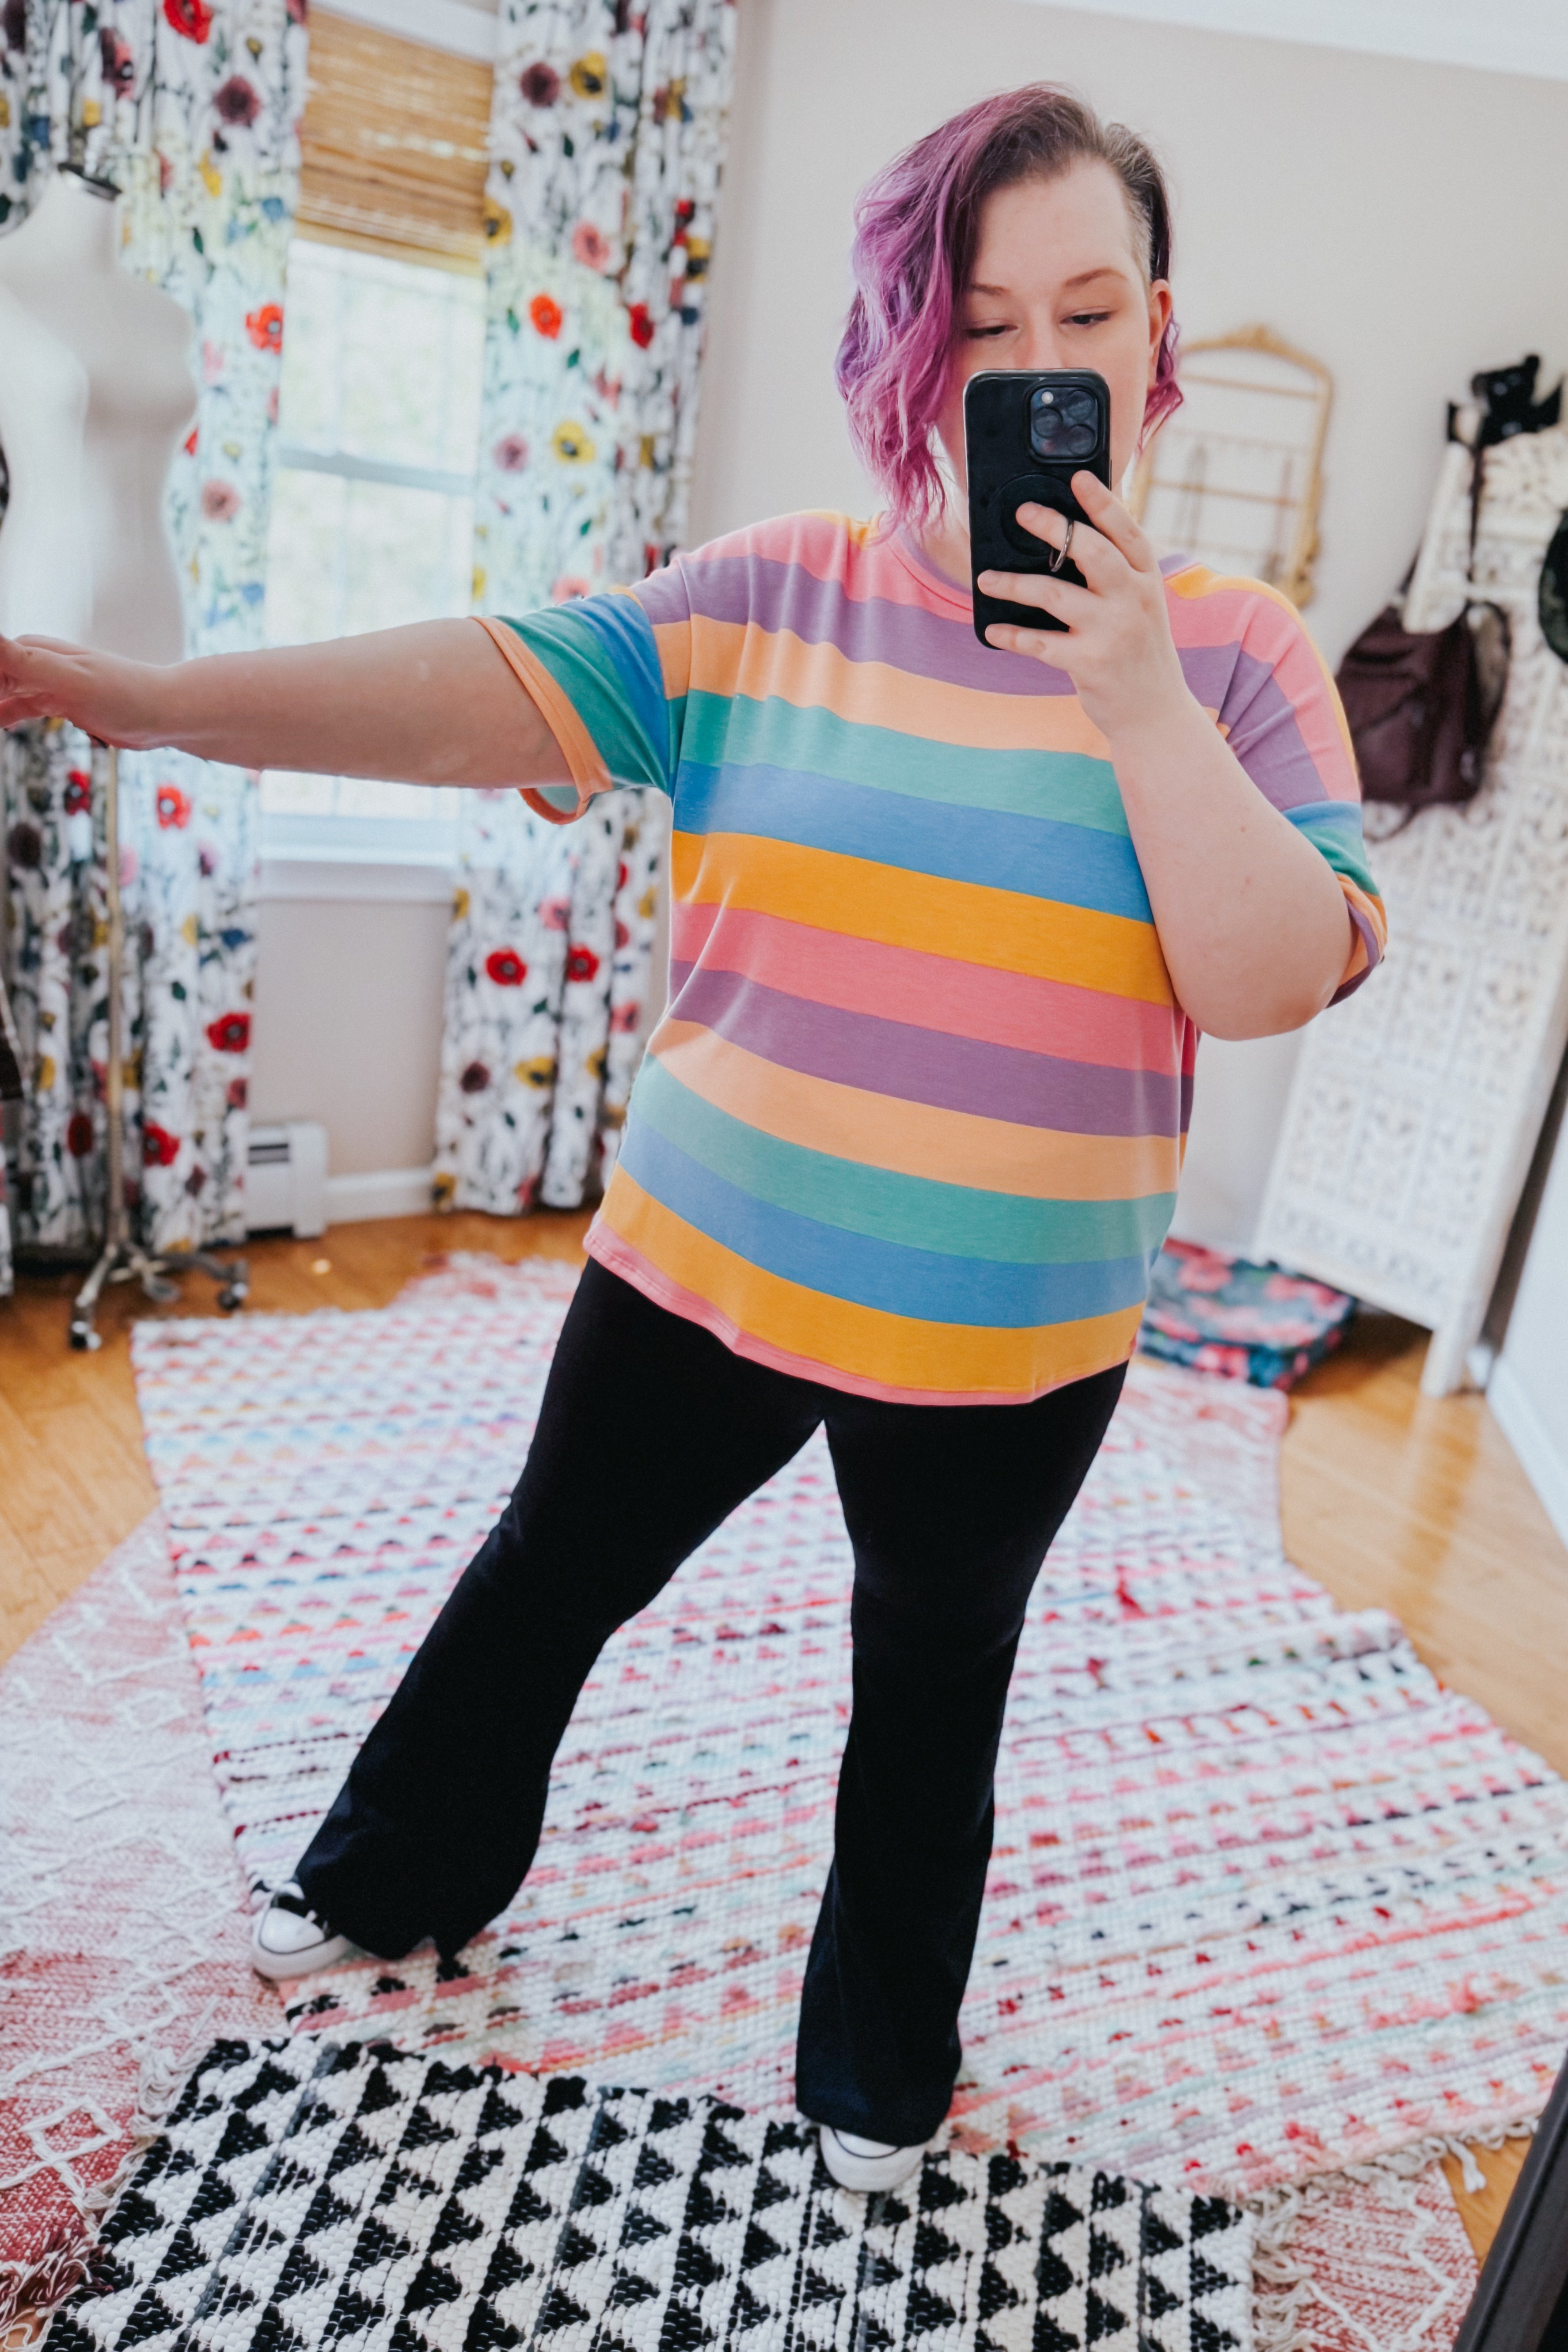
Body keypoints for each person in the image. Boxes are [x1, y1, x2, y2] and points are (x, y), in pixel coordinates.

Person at [0, 86, 1386, 2194]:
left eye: (1086, 314)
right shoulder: (777, 598)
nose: (1035, 370)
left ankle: (873, 2086)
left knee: (932, 1698)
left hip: (1012, 1346)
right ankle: (394, 1879)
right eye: (980, 320)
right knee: (550, 1579)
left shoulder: (1237, 657)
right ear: (910, 344)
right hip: (701, 1267)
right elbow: (466, 687)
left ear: (1156, 335)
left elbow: (1275, 972)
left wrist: (1132, 695)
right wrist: (140, 694)